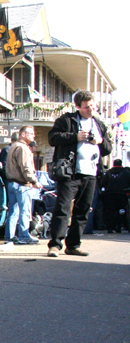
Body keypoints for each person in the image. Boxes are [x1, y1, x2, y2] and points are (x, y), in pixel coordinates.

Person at [46, 90, 112, 257]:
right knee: (63, 208)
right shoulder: (67, 120)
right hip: (70, 172)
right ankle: (55, 244)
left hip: (91, 173)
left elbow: (108, 148)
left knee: (83, 210)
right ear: (78, 107)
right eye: (87, 107)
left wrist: (100, 141)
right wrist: (75, 137)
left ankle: (73, 244)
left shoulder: (99, 124)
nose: (91, 110)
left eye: (93, 106)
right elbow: (53, 138)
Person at [2, 126, 42, 250]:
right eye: (31, 134)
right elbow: (26, 168)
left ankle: (10, 236)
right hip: (21, 184)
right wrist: (34, 181)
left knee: (13, 211)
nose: (33, 136)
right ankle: (24, 235)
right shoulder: (23, 148)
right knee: (25, 210)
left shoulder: (13, 146)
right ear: (23, 134)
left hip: (12, 183)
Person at [101, 159, 130, 233]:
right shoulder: (126, 172)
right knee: (121, 210)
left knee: (110, 211)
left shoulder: (109, 172)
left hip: (110, 194)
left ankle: (110, 227)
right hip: (122, 194)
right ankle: (119, 226)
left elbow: (103, 183)